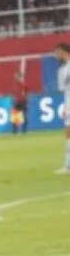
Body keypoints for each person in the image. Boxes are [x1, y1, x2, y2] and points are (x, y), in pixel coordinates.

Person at [55, 44, 70, 174]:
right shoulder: (62, 69)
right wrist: (65, 106)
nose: (56, 56)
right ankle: (67, 164)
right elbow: (64, 90)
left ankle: (67, 165)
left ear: (64, 52)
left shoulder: (64, 70)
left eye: (57, 53)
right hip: (69, 105)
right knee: (68, 134)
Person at [12, 71, 28, 135]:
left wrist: (26, 99)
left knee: (24, 116)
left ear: (20, 77)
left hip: (22, 102)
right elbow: (13, 93)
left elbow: (27, 93)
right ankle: (15, 131)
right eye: (16, 77)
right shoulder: (15, 85)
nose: (16, 78)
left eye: (18, 76)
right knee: (15, 117)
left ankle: (24, 130)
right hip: (16, 102)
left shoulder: (23, 85)